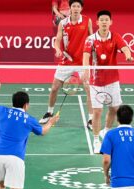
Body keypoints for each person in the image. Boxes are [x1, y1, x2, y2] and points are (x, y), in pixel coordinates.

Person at [83, 10, 134, 153]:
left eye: (107, 20)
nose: (104, 22)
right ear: (97, 22)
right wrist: (86, 69)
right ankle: (96, 141)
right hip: (96, 81)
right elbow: (86, 56)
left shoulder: (115, 36)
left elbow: (125, 48)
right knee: (97, 111)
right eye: (102, 20)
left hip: (112, 80)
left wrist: (128, 55)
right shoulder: (90, 39)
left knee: (114, 109)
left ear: (110, 22)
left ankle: (106, 130)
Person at [40, 0, 94, 130]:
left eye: (78, 6)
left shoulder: (87, 21)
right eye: (73, 6)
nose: (75, 8)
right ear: (69, 8)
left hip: (83, 61)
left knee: (89, 90)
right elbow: (57, 40)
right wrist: (58, 50)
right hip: (67, 60)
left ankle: (91, 119)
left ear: (81, 8)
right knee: (54, 88)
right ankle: (49, 112)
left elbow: (92, 37)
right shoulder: (63, 23)